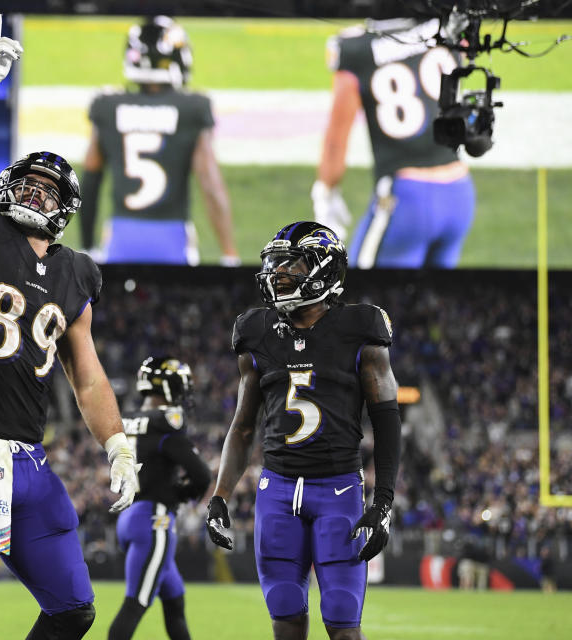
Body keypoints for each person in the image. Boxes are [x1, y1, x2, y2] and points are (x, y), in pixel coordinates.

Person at [0, 14, 139, 640]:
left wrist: (118, 445)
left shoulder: (77, 273)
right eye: (29, 186)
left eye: (50, 192)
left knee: (73, 610)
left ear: (66, 209)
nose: (37, 198)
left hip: (29, 458)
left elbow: (87, 372)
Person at [206, 221, 402, 640]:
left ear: (325, 269)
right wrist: (220, 496)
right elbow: (243, 428)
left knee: (343, 619)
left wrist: (383, 500)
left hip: (338, 491)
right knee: (285, 614)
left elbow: (387, 423)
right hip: (276, 489)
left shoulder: (360, 330)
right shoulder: (256, 332)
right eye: (275, 265)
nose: (279, 274)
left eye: (291, 264)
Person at [314, 18, 475, 268]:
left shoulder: (356, 47)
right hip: (459, 192)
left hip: (406, 197)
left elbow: (336, 137)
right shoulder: (448, 24)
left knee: (359, 302)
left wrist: (326, 192)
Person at [81, 15, 239, 266]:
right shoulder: (192, 107)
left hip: (120, 239)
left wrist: (87, 246)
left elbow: (90, 182)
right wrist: (229, 253)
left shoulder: (107, 105)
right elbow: (210, 183)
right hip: (172, 240)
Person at [109, 357, 211, 640]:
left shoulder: (126, 418)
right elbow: (201, 474)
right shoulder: (165, 423)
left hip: (129, 516)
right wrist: (177, 495)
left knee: (175, 602)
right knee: (135, 604)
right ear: (168, 388)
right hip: (154, 520)